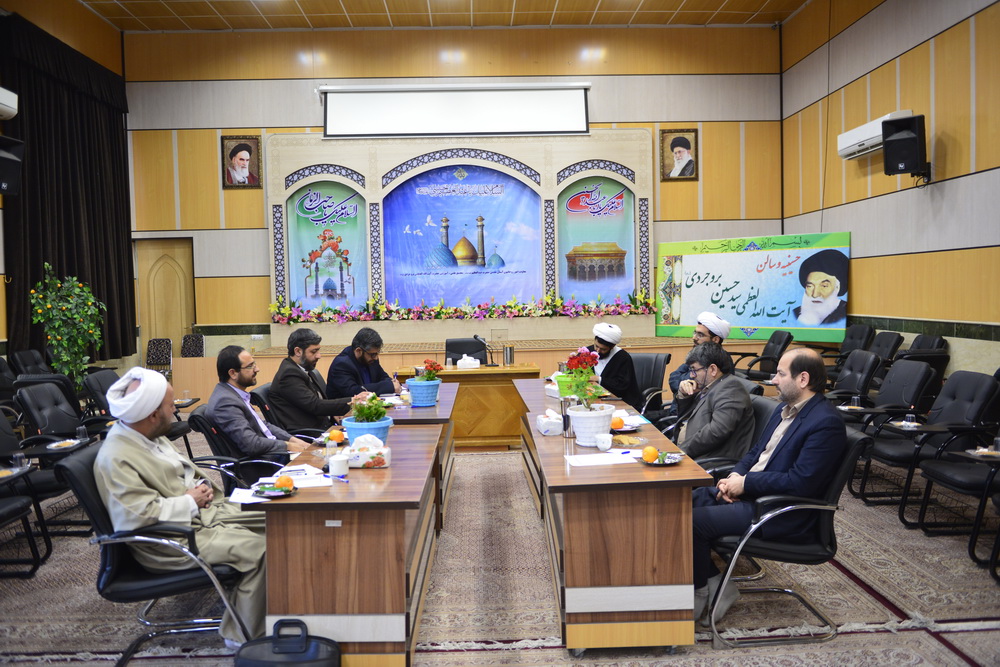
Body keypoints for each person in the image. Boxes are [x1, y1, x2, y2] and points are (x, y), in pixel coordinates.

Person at [93, 367, 266, 647]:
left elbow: (182, 473)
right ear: (152, 414)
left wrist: (200, 489)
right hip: (171, 541)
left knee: (278, 517)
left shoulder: (151, 435)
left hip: (202, 516)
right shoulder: (116, 457)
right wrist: (190, 501)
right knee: (261, 549)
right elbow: (134, 517)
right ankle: (243, 636)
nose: (175, 410)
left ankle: (284, 601)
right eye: (171, 405)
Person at [690, 348, 846, 624]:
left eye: (781, 374)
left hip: (778, 511)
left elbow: (801, 482)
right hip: (754, 494)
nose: (773, 380)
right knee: (682, 501)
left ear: (803, 379)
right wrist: (733, 478)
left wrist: (746, 484)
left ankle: (700, 591)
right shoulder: (783, 410)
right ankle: (716, 584)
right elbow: (755, 453)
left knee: (692, 522)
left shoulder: (826, 423)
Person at [207, 345, 311, 462]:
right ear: (233, 373)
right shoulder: (225, 403)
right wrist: (288, 446)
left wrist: (293, 440)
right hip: (264, 463)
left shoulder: (233, 394)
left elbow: (262, 426)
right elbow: (251, 444)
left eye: (254, 364)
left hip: (273, 453)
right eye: (250, 366)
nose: (257, 369)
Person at [270, 328, 368, 432]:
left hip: (323, 425)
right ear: (298, 351)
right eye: (314, 351)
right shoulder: (289, 374)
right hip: (310, 432)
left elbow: (319, 401)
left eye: (318, 350)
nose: (319, 356)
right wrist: (353, 401)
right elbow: (315, 405)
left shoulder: (302, 368)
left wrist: (333, 412)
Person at [672, 342, 754, 462]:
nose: (691, 375)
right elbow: (686, 417)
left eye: (694, 370)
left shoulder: (731, 389)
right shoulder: (710, 386)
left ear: (713, 369)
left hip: (707, 459)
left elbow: (717, 432)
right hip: (690, 453)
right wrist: (684, 395)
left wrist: (680, 451)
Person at [326, 327, 401, 399]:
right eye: (373, 354)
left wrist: (393, 383)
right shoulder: (342, 364)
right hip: (346, 407)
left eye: (377, 353)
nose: (375, 358)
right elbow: (353, 392)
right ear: (358, 351)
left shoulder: (371, 359)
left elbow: (383, 377)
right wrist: (389, 386)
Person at [669, 311, 731, 397]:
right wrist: (683, 384)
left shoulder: (721, 360)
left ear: (715, 340)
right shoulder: (697, 355)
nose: (694, 338)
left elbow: (696, 384)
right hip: (682, 401)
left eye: (700, 335)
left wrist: (685, 382)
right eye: (695, 333)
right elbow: (673, 377)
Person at [587, 322, 643, 412]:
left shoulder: (623, 357)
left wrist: (599, 379)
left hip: (620, 403)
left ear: (612, 347)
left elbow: (622, 385)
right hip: (593, 400)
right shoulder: (587, 352)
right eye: (596, 346)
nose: (598, 351)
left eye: (603, 349)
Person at [793, 249, 849, 326]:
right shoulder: (795, 313)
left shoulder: (846, 313)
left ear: (837, 287)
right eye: (810, 286)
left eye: (824, 286)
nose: (815, 294)